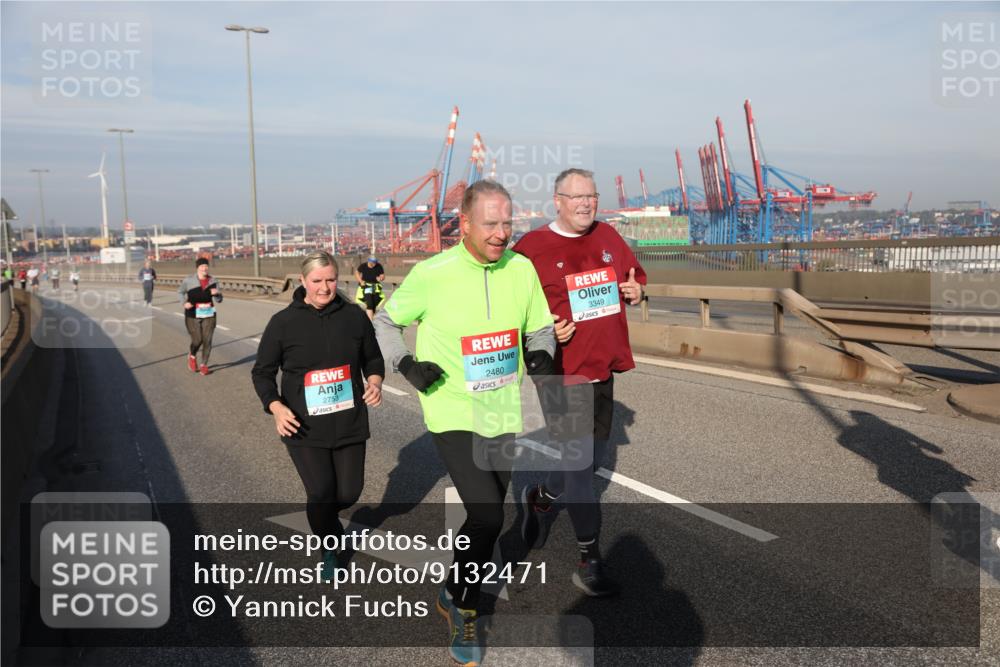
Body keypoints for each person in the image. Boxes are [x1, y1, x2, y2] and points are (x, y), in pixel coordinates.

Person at [374, 180, 555, 666]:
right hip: (451, 408)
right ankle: (467, 612)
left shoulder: (522, 269)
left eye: (508, 223)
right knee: (489, 515)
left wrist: (540, 352)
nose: (501, 233)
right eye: (491, 224)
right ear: (466, 223)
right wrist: (406, 365)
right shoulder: (434, 272)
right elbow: (385, 321)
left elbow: (539, 324)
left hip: (501, 408)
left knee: (484, 519)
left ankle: (454, 588)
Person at [513, 168, 647, 597]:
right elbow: (507, 307)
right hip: (560, 372)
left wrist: (636, 291)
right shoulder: (531, 248)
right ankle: (589, 556)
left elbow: (635, 276)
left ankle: (541, 498)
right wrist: (545, 330)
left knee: (587, 463)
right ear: (557, 200)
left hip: (602, 368)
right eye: (576, 197)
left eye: (591, 196)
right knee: (580, 469)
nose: (586, 204)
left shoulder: (608, 236)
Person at [252, 251, 384, 581]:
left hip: (349, 421)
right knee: (322, 493)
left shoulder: (354, 317)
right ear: (303, 282)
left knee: (349, 494)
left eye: (330, 280)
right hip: (302, 425)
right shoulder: (283, 323)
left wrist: (375, 381)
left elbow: (373, 359)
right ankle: (329, 545)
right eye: (317, 281)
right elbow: (262, 372)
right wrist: (276, 406)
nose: (325, 287)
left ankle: (324, 518)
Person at [178, 257, 223, 375]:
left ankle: (204, 365)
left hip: (209, 313)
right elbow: (180, 292)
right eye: (202, 266)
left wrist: (217, 294)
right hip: (192, 313)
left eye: (206, 266)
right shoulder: (188, 280)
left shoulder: (213, 281)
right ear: (197, 268)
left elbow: (219, 299)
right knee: (197, 340)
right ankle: (192, 356)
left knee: (207, 340)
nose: (205, 268)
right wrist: (184, 302)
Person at [354, 255, 386, 320]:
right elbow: (357, 272)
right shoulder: (363, 266)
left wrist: (380, 278)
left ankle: (370, 317)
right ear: (368, 262)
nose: (373, 264)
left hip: (374, 286)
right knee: (370, 303)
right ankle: (370, 321)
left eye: (375, 263)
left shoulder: (379, 266)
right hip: (367, 285)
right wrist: (360, 281)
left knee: (374, 303)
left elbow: (382, 275)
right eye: (372, 263)